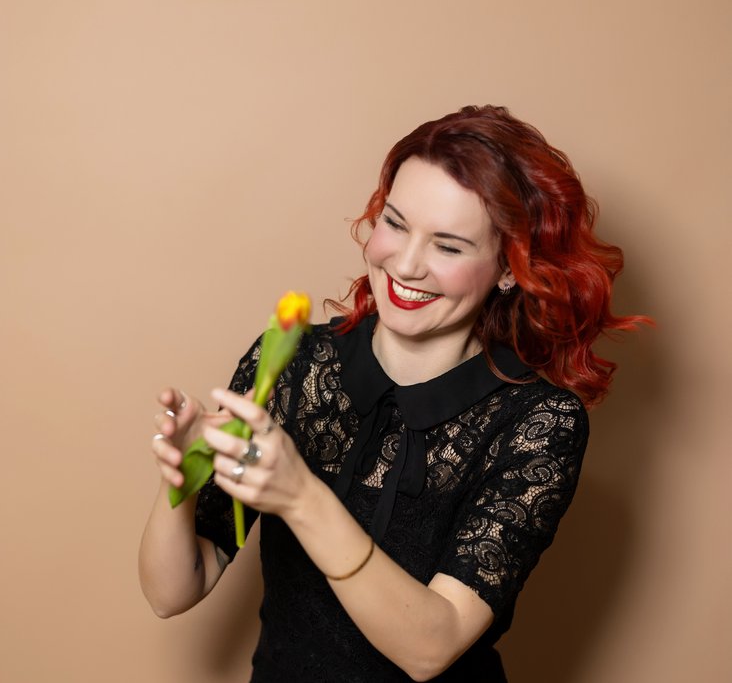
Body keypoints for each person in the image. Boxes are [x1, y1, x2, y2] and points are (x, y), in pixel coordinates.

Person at [139, 105, 645, 682]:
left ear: (510, 269)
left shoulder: (539, 423)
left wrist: (302, 498)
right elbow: (173, 592)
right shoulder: (296, 362)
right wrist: (178, 479)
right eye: (396, 223)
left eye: (449, 247)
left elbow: (432, 648)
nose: (405, 264)